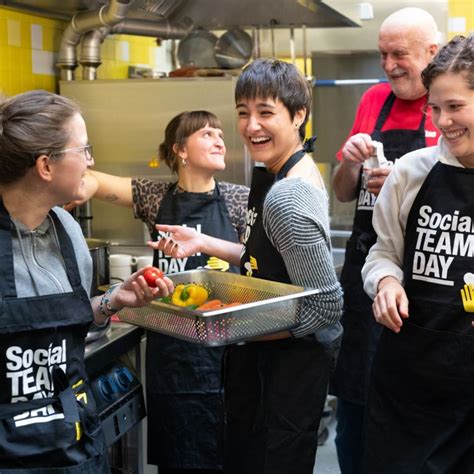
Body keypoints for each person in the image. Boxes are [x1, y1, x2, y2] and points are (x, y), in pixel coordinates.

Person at [151, 58, 343, 474]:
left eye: (266, 112)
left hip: (286, 372)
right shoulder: (274, 173)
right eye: (243, 113)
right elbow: (267, 256)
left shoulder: (288, 196)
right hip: (268, 367)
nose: (251, 125)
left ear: (299, 115)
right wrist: (204, 242)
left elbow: (326, 307)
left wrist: (232, 330)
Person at [67, 110, 249, 474]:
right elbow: (91, 181)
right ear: (180, 150)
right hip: (172, 354)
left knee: (227, 455)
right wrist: (72, 192)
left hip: (224, 353)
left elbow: (256, 260)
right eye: (207, 134)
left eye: (220, 134)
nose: (219, 141)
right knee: (178, 459)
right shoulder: (154, 195)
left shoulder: (238, 199)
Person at [0, 90, 173, 471]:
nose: (92, 162)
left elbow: (73, 319)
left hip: (70, 440)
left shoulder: (66, 228)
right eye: (85, 149)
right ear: (46, 166)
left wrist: (115, 300)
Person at [330, 8, 441, 473]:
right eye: (383, 54)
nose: (389, 65)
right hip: (364, 271)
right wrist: (352, 164)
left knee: (415, 410)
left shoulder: (450, 109)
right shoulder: (374, 99)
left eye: (400, 54)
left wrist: (405, 181)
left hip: (423, 282)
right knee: (355, 405)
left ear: (432, 54)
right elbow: (341, 191)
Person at [361, 34, 474, 473]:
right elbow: (382, 252)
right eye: (436, 107)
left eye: (456, 106)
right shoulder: (412, 171)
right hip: (409, 388)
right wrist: (386, 281)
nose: (443, 121)